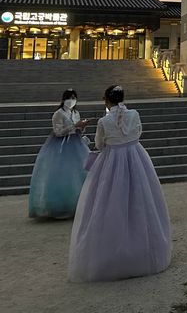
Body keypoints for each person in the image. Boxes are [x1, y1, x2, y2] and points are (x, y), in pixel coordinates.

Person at [68, 85, 171, 282]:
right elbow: (138, 132)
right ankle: (145, 251)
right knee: (142, 200)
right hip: (136, 156)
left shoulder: (104, 121)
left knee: (108, 203)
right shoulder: (133, 114)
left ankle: (111, 254)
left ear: (106, 100)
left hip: (112, 161)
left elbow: (99, 144)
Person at [28, 89, 91, 219]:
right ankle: (61, 205)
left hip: (76, 144)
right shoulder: (58, 114)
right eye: (70, 97)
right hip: (61, 147)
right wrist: (74, 126)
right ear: (63, 99)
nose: (72, 100)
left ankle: (79, 204)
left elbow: (77, 129)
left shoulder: (76, 112)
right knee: (63, 175)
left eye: (74, 97)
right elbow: (58, 132)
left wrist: (81, 127)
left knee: (79, 173)